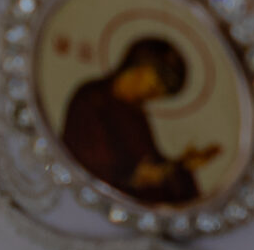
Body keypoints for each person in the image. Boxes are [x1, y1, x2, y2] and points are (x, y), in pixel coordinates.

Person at [57, 37, 220, 205]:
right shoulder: (92, 99)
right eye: (153, 89)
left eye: (159, 94)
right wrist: (133, 178)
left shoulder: (135, 114)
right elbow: (89, 165)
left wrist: (182, 166)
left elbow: (151, 163)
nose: (153, 98)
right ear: (139, 69)